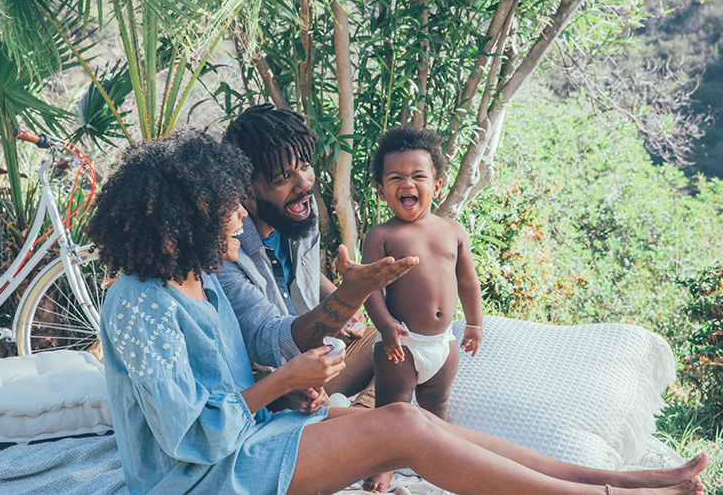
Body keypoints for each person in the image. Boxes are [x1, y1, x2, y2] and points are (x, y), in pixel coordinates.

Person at [88, 130, 708, 495]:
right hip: (195, 480)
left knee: (425, 428)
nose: (241, 218)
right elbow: (187, 435)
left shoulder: (201, 279)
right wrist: (283, 381)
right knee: (402, 427)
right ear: (186, 218)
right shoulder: (139, 304)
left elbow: (227, 384)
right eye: (228, 209)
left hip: (248, 440)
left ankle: (621, 480)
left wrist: (288, 392)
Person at [218, 104, 380, 409]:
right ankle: (353, 427)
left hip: (318, 360)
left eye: (305, 166)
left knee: (399, 345)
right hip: (273, 387)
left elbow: (301, 271)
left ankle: (356, 419)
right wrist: (349, 295)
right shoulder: (225, 250)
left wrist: (338, 304)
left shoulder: (299, 209)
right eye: (283, 178)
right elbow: (271, 345)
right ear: (246, 192)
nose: (305, 184)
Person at [360, 126, 484, 492]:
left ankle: (436, 462)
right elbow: (370, 289)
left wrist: (474, 324)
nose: (407, 184)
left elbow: (467, 283)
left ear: (437, 184)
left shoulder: (452, 230)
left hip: (443, 345)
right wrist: (384, 326)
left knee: (436, 409)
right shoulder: (381, 235)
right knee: (392, 412)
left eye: (418, 176)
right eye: (395, 177)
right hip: (402, 343)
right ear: (382, 190)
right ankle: (385, 465)